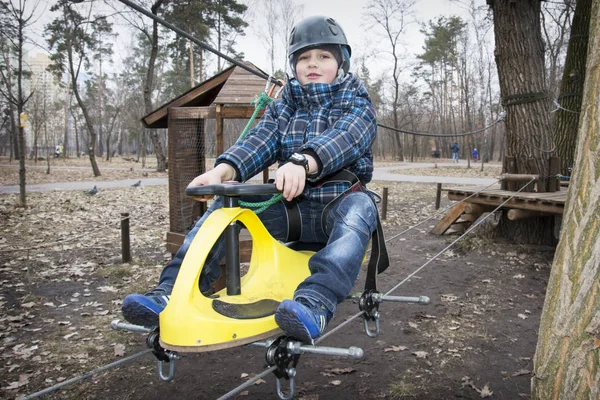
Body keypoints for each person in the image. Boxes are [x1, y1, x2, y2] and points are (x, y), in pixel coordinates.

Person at [121, 16, 382, 344]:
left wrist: (303, 161)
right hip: (291, 207)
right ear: (293, 65)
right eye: (304, 58)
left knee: (362, 208)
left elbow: (349, 136)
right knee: (226, 206)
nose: (312, 64)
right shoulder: (283, 107)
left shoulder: (356, 102)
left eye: (323, 56)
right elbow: (260, 141)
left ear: (341, 63)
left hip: (338, 205)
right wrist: (223, 171)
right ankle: (170, 291)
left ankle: (315, 302)